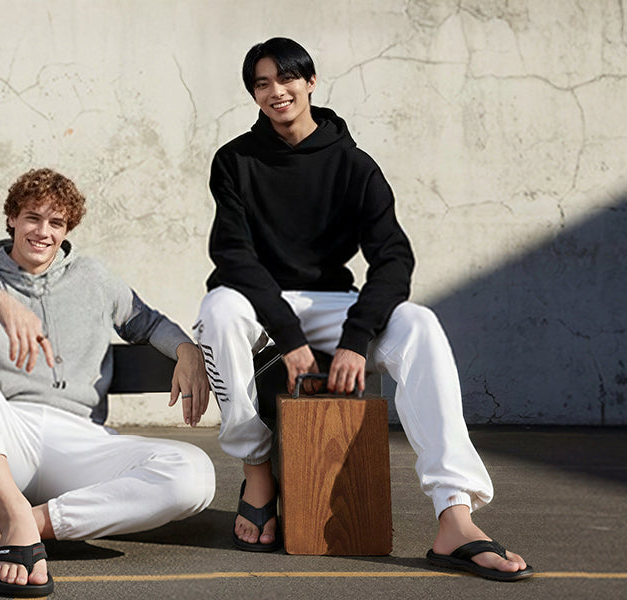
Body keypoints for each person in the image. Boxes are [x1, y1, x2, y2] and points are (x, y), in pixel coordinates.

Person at [189, 37, 534, 582]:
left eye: (286, 79)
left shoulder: (353, 164)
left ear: (310, 82)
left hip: (332, 302)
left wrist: (355, 338)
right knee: (219, 309)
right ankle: (257, 470)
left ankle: (455, 515)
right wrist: (288, 334)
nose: (276, 91)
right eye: (262, 83)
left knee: (420, 323)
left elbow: (394, 257)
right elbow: (231, 254)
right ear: (253, 94)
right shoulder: (235, 160)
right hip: (261, 302)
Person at [0, 168, 217, 597]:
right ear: (12, 218)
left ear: (67, 229)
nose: (42, 232)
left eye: (56, 223)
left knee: (194, 475)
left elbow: (148, 322)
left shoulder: (94, 278)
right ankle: (10, 507)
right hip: (3, 439)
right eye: (32, 218)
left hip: (81, 441)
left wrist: (187, 350)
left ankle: (6, 525)